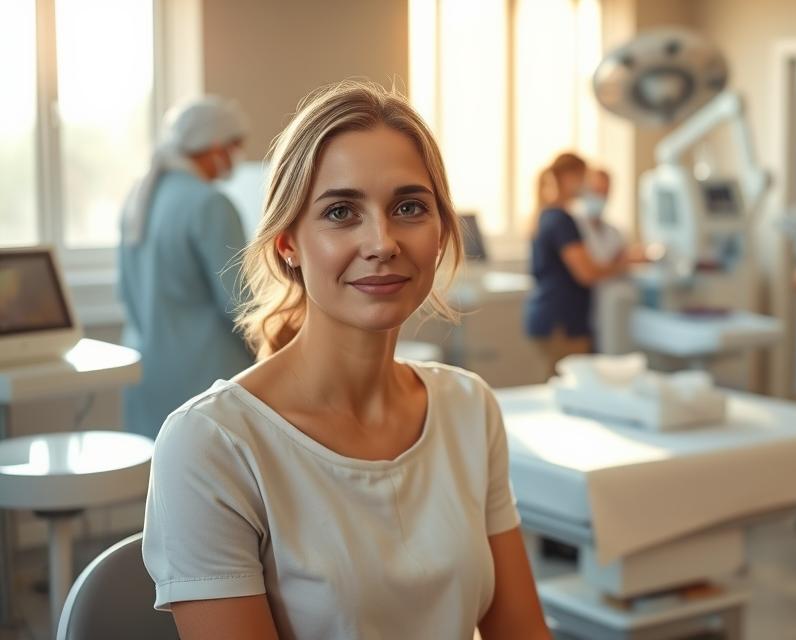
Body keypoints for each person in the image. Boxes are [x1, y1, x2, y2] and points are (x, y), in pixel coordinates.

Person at [141, 80, 551, 640]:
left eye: (409, 207)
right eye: (340, 212)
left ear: (440, 233)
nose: (382, 242)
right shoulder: (211, 445)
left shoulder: (469, 408)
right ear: (288, 243)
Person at [118, 96, 254, 439]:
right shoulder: (210, 204)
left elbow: (125, 290)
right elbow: (239, 304)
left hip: (147, 374)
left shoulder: (141, 198)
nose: (237, 158)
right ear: (214, 147)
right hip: (205, 381)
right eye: (235, 146)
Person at [524, 153, 629, 377]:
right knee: (566, 385)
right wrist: (623, 265)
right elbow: (587, 273)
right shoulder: (561, 220)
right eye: (585, 177)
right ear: (570, 178)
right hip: (562, 322)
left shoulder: (548, 215)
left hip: (550, 316)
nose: (587, 186)